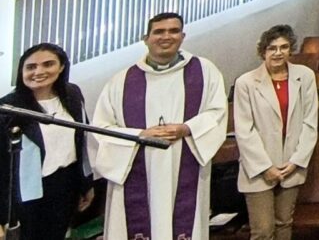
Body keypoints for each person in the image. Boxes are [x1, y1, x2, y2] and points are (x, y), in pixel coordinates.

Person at [92, 13, 227, 240]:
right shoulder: (122, 80)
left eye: (173, 31)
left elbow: (218, 113)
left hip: (183, 160)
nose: (166, 36)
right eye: (159, 32)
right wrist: (140, 135)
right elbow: (101, 129)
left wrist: (186, 129)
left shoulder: (204, 72)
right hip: (137, 167)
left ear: (183, 36)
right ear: (145, 38)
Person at [233, 25, 318, 240]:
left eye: (284, 47)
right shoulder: (246, 82)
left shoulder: (305, 76)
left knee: (284, 224)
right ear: (263, 51)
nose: (278, 53)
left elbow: (310, 122)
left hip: (291, 163)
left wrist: (297, 160)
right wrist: (265, 167)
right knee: (262, 230)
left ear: (291, 50)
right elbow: (244, 130)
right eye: (272, 48)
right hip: (258, 167)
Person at [0, 43, 92, 240]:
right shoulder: (8, 107)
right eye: (31, 67)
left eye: (48, 64)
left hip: (65, 185)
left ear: (61, 67)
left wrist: (86, 183)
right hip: (24, 194)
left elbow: (82, 143)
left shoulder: (73, 94)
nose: (39, 71)